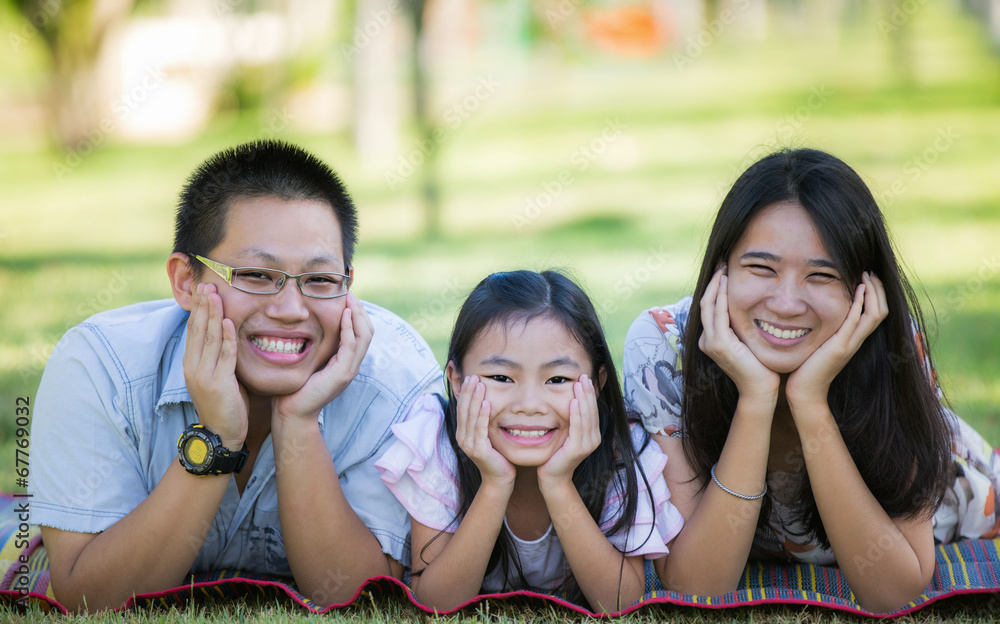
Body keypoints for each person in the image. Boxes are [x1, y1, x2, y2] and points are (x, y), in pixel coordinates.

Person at [30, 140, 444, 612]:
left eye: (320, 280)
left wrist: (299, 421)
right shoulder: (101, 368)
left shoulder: (396, 381)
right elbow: (92, 598)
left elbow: (363, 601)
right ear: (186, 281)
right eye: (256, 275)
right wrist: (218, 437)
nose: (291, 310)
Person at [622, 147, 1000, 613]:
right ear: (721, 271)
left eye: (821, 276)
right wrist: (756, 401)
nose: (786, 303)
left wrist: (810, 401)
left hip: (962, 491)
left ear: (864, 290)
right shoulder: (663, 349)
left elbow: (892, 592)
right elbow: (697, 585)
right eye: (761, 268)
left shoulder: (889, 348)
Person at [376, 270, 683, 613]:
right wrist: (494, 483)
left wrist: (558, 483)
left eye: (557, 379)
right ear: (457, 382)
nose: (530, 405)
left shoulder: (618, 452)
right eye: (501, 377)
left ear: (597, 384)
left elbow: (619, 603)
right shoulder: (440, 443)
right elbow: (435, 603)